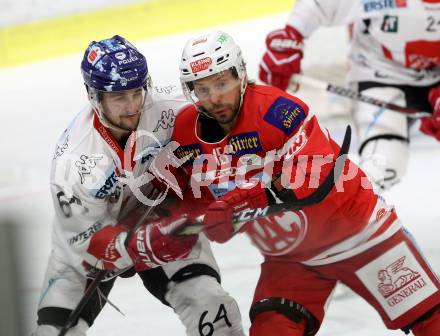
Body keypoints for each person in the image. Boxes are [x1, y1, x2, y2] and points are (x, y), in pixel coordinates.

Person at [171, 30, 440, 335]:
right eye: (202, 89)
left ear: (241, 74)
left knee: (433, 323)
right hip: (293, 260)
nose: (214, 97)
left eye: (221, 83)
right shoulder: (184, 134)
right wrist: (173, 228)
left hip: (363, 236)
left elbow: (316, 177)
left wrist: (243, 199)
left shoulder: (278, 112)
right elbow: (182, 199)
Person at [33, 35, 245, 336]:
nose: (133, 105)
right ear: (94, 95)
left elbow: (239, 122)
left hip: (163, 223)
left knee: (213, 308)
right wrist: (142, 245)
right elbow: (87, 245)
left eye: (137, 92)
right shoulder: (74, 161)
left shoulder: (172, 107)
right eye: (120, 98)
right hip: (91, 242)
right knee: (53, 333)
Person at [258, 0, 440, 191]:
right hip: (380, 73)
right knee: (383, 163)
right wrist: (290, 38)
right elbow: (318, 5)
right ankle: (342, 210)